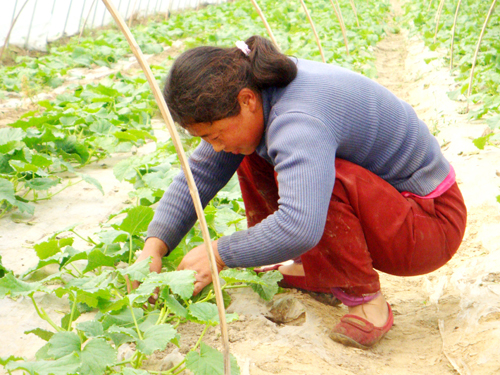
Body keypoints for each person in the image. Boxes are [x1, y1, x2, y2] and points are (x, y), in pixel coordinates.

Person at [133, 35, 467, 349]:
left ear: (246, 101)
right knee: (243, 154)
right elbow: (202, 173)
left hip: (430, 224)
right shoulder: (255, 90)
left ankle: (368, 304)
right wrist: (154, 246)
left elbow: (299, 225)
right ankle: (304, 270)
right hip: (392, 210)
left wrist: (217, 253)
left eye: (215, 135)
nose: (214, 147)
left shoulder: (298, 119)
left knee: (323, 179)